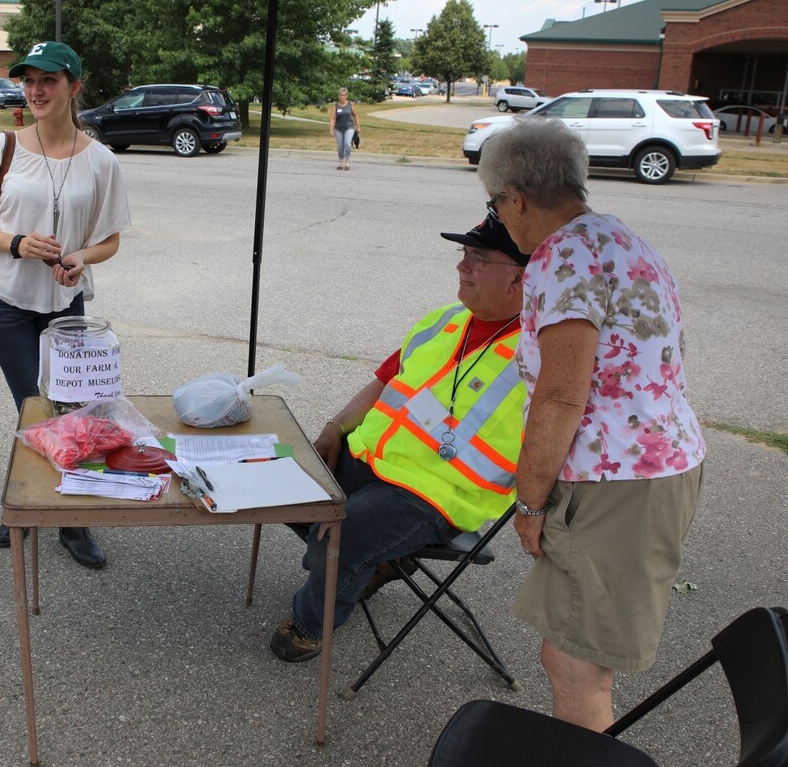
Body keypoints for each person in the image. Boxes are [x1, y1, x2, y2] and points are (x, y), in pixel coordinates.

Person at [478, 117, 705, 732]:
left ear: (517, 199)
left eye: (495, 202)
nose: (500, 215)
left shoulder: (563, 256)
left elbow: (559, 395)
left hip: (617, 479)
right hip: (654, 465)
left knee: (578, 665)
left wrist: (528, 503)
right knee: (570, 654)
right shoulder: (619, 238)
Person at [271, 214, 528, 661]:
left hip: (437, 494)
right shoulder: (446, 320)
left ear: (521, 278)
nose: (462, 267)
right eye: (464, 254)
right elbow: (384, 382)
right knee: (280, 486)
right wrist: (335, 429)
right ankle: (372, 561)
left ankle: (312, 622)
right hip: (369, 458)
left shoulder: (542, 354)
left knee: (341, 535)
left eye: (478, 258)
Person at [0, 41, 131, 569]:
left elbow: (111, 240)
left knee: (70, 411)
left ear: (74, 87)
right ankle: (28, 507)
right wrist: (15, 243)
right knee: (32, 408)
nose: (36, 90)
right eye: (29, 80)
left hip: (65, 303)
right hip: (5, 301)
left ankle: (73, 523)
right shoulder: (3, 147)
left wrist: (78, 255)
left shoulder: (101, 161)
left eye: (49, 80)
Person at [329, 87, 361, 171]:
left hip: (349, 127)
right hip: (338, 128)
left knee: (347, 144)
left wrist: (358, 127)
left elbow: (355, 115)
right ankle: (341, 162)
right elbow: (332, 118)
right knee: (340, 146)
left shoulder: (350, 104)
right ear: (338, 96)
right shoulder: (336, 105)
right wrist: (331, 129)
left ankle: (347, 162)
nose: (342, 97)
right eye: (340, 95)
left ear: (346, 96)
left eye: (343, 95)